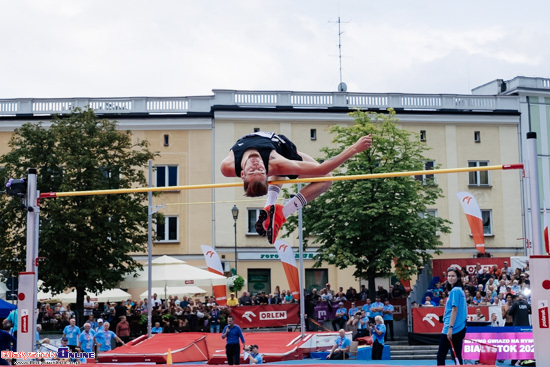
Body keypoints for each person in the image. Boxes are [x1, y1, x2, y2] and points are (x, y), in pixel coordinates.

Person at [221, 131, 372, 244]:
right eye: (259, 170)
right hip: (281, 147)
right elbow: (322, 170)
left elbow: (320, 169)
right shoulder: (275, 164)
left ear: (242, 174)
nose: (256, 165)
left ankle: (271, 207)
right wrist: (354, 148)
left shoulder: (228, 167)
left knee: (282, 169)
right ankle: (281, 213)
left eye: (256, 170)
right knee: (326, 180)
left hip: (272, 147)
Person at [436, 267, 467, 366]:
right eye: (449, 276)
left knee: (441, 355)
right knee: (457, 356)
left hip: (451, 328)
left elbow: (455, 309)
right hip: (460, 327)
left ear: (458, 278)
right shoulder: (460, 290)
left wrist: (450, 327)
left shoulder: (455, 291)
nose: (450, 278)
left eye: (453, 276)